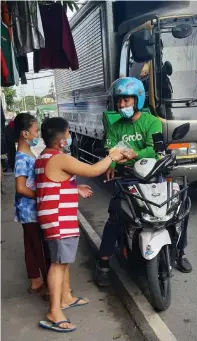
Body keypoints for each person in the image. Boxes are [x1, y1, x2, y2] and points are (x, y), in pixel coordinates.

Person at [95, 77, 193, 287]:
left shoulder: (152, 122)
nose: (122, 105)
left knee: (180, 210)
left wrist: (133, 154)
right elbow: (111, 151)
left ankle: (180, 252)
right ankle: (103, 263)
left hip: (154, 176)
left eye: (127, 100)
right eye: (119, 101)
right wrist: (112, 164)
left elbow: (154, 149)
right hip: (127, 178)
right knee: (114, 215)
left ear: (138, 99)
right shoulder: (114, 126)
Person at [36, 117, 125, 333]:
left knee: (62, 261)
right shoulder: (58, 158)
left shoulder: (45, 156)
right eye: (67, 134)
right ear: (60, 141)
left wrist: (74, 189)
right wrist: (111, 156)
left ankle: (66, 297)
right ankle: (54, 311)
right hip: (58, 220)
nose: (70, 137)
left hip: (57, 219)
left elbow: (51, 185)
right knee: (58, 264)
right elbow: (93, 170)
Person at [13, 112, 49, 295]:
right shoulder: (21, 157)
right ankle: (50, 286)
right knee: (40, 248)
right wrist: (40, 196)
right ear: (24, 134)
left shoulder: (28, 153)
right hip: (30, 211)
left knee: (31, 245)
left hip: (28, 211)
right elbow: (20, 187)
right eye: (35, 131)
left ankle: (36, 281)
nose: (37, 135)